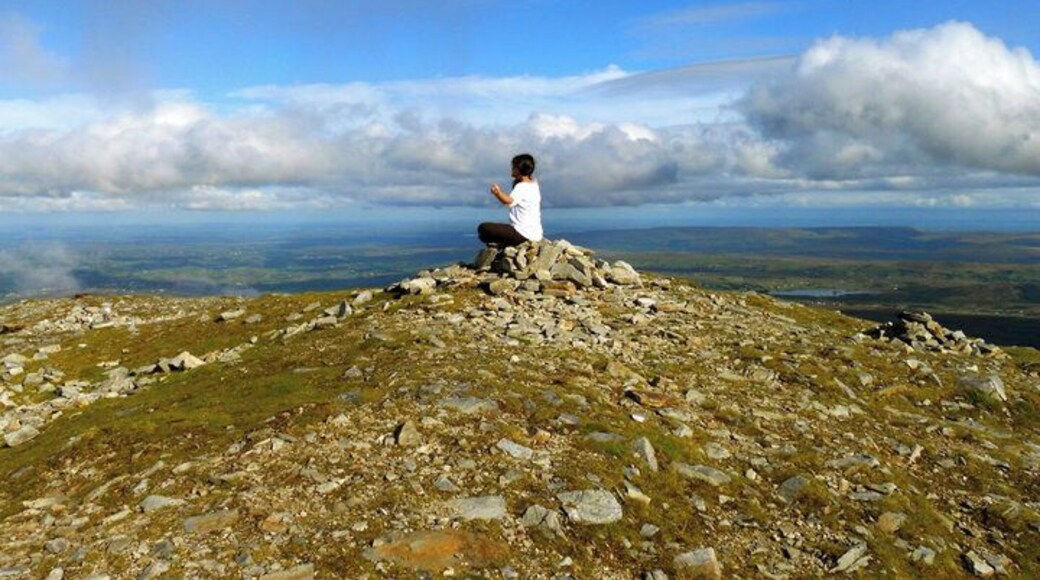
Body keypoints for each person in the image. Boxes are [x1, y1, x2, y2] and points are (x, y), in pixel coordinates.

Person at [477, 153, 543, 247]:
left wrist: (497, 193)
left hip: (522, 234)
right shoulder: (534, 185)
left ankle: (502, 244)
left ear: (519, 169)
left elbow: (509, 202)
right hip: (535, 234)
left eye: (513, 167)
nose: (511, 169)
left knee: (483, 228)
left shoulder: (522, 186)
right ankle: (503, 242)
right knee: (488, 233)